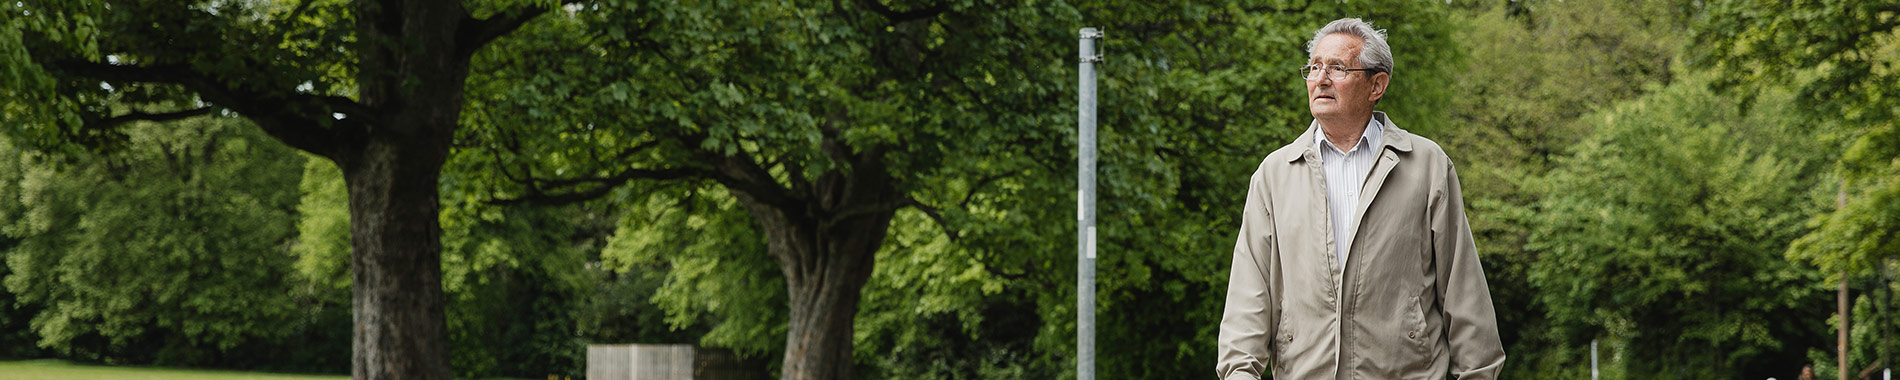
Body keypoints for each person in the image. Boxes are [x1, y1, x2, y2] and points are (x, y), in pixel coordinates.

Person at [1214, 18, 1507, 379]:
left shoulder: (1427, 166)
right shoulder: (1275, 174)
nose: (1320, 79)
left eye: (1337, 68)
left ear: (1376, 85)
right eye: (1314, 67)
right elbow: (1249, 293)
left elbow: (1464, 292)